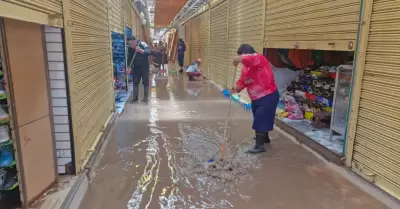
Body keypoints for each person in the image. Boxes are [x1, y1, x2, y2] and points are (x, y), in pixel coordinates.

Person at [231, 44, 279, 154]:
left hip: (268, 95)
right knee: (261, 117)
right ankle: (264, 138)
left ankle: (259, 146)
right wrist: (235, 88)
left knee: (261, 118)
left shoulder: (259, 58)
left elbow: (251, 58)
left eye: (242, 56)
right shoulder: (245, 68)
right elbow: (242, 81)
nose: (242, 61)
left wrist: (238, 58)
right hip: (256, 98)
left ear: (247, 54)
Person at [127, 36, 151, 102]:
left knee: (145, 82)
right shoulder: (130, 48)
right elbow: (130, 58)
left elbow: (148, 52)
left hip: (144, 67)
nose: (130, 46)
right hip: (136, 67)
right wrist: (129, 67)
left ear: (135, 41)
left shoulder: (143, 44)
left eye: (131, 44)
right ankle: (135, 98)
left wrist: (141, 50)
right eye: (129, 44)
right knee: (135, 82)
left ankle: (145, 98)